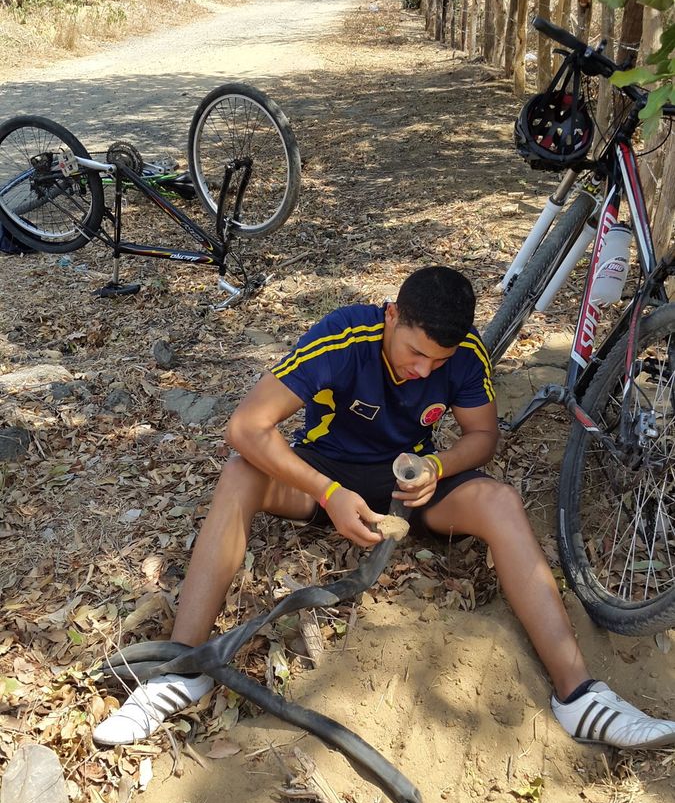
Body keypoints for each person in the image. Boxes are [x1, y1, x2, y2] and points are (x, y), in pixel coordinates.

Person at [93, 266, 675, 750]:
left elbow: (482, 437)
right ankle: (185, 668)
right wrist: (329, 494)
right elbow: (245, 427)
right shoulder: (344, 335)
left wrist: (438, 468)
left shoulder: (463, 354)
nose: (424, 370)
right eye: (416, 352)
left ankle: (579, 697)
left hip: (406, 484)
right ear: (392, 315)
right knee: (241, 471)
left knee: (499, 500)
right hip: (324, 475)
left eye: (437, 362)